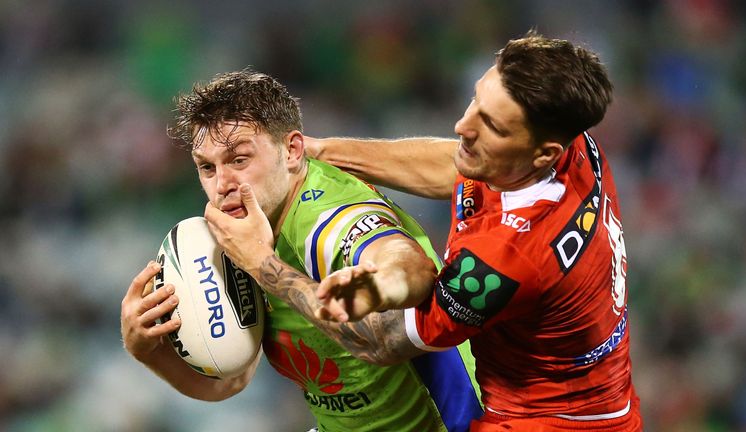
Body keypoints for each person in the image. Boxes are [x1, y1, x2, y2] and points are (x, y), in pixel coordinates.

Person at [216, 32, 643, 431]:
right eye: (476, 101)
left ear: (542, 153)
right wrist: (321, 150)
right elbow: (458, 168)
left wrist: (263, 263)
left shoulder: (505, 259)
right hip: (607, 395)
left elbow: (382, 343)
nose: (463, 126)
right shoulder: (572, 144)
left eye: (492, 126)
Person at [119, 70, 483, 432]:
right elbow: (230, 379)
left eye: (239, 160)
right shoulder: (240, 233)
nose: (222, 185)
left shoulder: (325, 220)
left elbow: (407, 269)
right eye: (207, 168)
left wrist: (264, 266)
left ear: (292, 150)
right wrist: (149, 351)